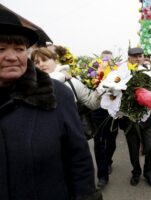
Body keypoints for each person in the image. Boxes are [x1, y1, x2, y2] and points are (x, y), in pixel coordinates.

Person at [0, 8, 101, 200]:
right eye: (1, 49)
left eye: (19, 49)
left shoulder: (57, 94)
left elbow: (79, 160)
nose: (12, 56)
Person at [118, 47, 151, 188]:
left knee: (150, 148)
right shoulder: (122, 74)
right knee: (133, 150)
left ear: (143, 57)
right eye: (134, 56)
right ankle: (136, 172)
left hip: (147, 119)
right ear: (129, 57)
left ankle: (149, 174)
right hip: (129, 119)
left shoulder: (150, 73)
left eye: (140, 56)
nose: (137, 58)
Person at [31, 47, 102, 111]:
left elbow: (91, 103)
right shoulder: (31, 84)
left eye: (45, 60)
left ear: (55, 61)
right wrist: (61, 76)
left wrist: (102, 87)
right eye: (36, 63)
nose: (41, 64)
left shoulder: (71, 82)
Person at [91, 50, 119, 188]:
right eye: (104, 59)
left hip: (113, 112)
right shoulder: (93, 71)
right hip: (98, 112)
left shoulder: (117, 72)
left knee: (111, 141)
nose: (106, 61)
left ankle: (108, 161)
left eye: (109, 59)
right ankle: (102, 175)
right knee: (99, 142)